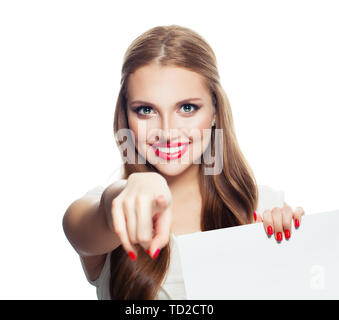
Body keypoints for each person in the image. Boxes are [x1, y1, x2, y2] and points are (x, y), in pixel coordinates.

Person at [62, 24, 305, 300]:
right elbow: (90, 220)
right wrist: (129, 191)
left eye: (187, 108)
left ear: (214, 110)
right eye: (146, 110)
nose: (166, 132)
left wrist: (296, 253)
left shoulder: (263, 209)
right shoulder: (101, 211)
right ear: (126, 117)